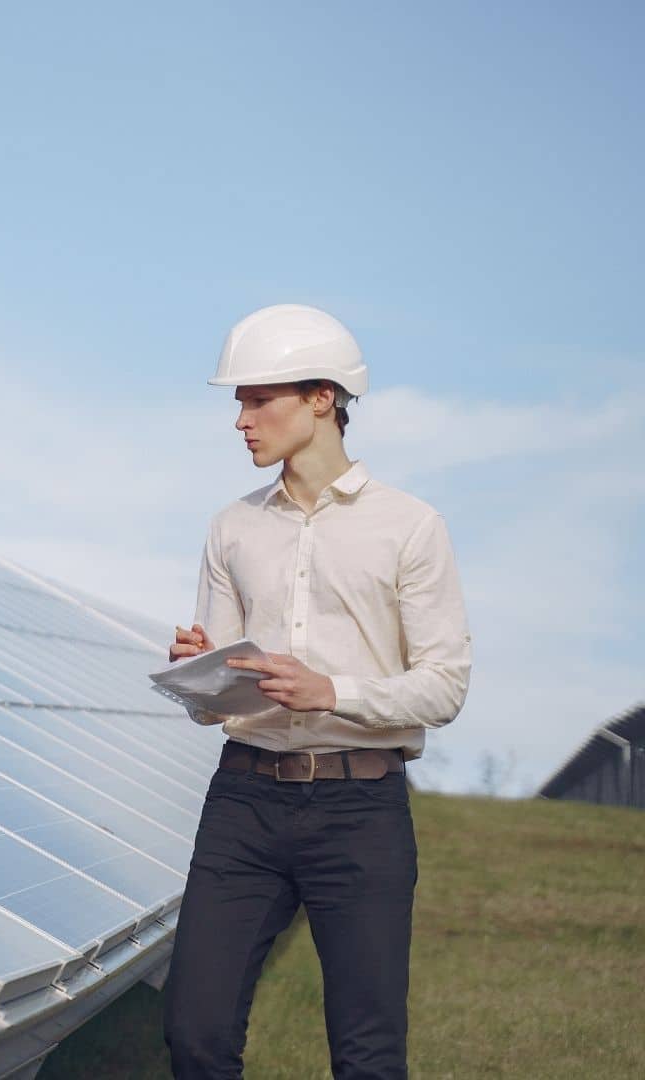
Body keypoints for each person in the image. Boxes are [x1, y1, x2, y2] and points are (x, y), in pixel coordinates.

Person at [159, 304, 473, 1079]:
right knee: (194, 1033)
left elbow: (444, 686)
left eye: (258, 398)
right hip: (243, 804)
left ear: (321, 398)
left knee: (367, 1055)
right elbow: (217, 706)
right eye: (238, 401)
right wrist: (202, 674)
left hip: (360, 812)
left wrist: (333, 692)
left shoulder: (410, 527)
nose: (240, 419)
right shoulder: (231, 528)